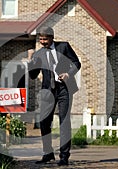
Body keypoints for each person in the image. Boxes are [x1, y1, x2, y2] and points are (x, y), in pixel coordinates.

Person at [27, 26, 81, 166]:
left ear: (52, 37)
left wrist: (69, 74)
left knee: (64, 122)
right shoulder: (38, 54)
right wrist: (30, 61)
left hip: (64, 88)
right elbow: (33, 75)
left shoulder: (64, 47)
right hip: (47, 91)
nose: (43, 42)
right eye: (40, 39)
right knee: (44, 122)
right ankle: (48, 153)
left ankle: (64, 156)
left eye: (45, 39)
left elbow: (76, 63)